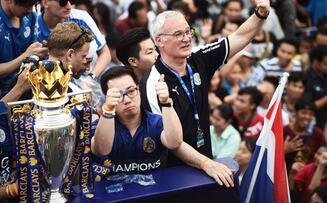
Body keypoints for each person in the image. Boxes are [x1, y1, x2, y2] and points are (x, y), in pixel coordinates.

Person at [141, 0, 271, 166]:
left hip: (205, 162)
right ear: (159, 41)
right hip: (173, 172)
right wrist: (206, 164)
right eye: (178, 34)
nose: (186, 38)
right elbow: (169, 141)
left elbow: (240, 36)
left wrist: (260, 14)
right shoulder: (152, 82)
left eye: (188, 32)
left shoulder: (199, 59)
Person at [94, 67, 234, 187]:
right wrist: (108, 109)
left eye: (131, 91)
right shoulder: (102, 126)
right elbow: (101, 149)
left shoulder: (156, 122)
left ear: (139, 90)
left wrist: (207, 164)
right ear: (107, 97)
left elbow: (175, 143)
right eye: (118, 95)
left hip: (157, 195)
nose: (127, 99)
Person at [38, 0, 111, 81]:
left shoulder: (81, 17)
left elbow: (105, 53)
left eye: (71, 1)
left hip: (86, 79)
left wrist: (91, 77)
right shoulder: (34, 25)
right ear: (45, 3)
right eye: (63, 2)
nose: (69, 6)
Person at [0, 0, 48, 102]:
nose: (31, 10)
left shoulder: (31, 17)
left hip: (26, 90)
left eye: (33, 4)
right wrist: (25, 56)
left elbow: (31, 53)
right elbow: (27, 54)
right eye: (26, 4)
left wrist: (39, 51)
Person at [284, 95, 326, 172]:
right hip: (284, 177)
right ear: (295, 112)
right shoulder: (284, 131)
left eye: (310, 114)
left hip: (307, 178)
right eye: (304, 113)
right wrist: (285, 150)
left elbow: (323, 157)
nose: (307, 117)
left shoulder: (317, 134)